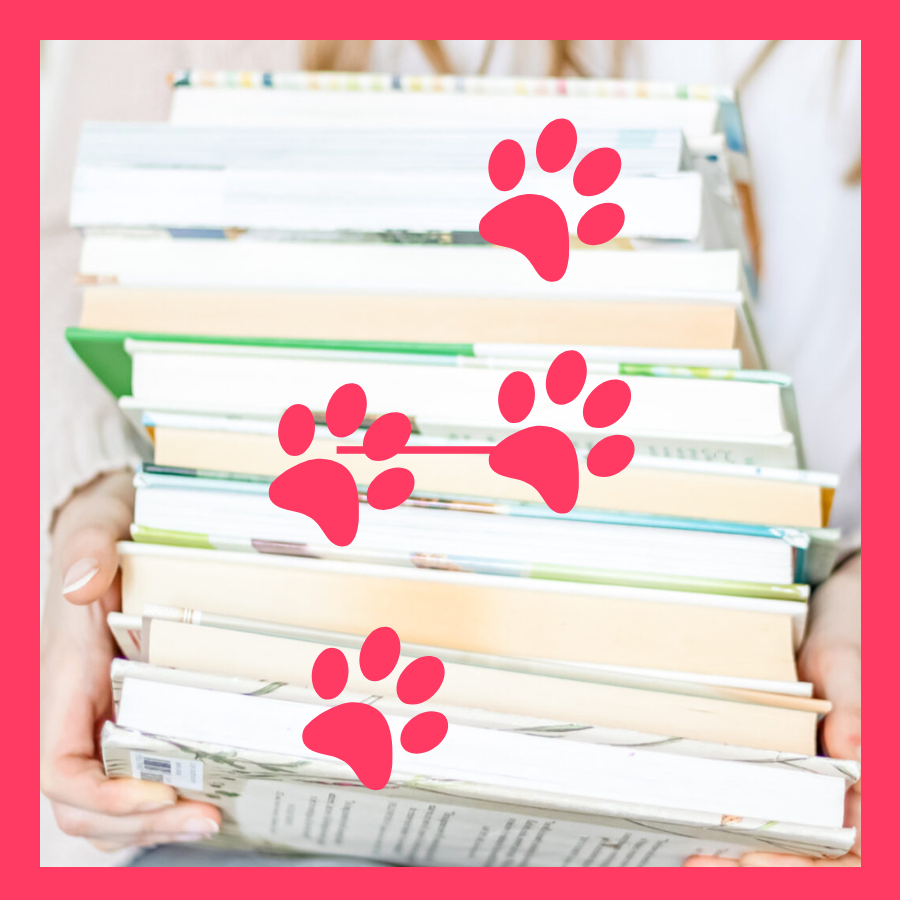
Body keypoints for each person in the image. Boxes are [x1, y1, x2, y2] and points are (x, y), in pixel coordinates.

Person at [40, 40, 860, 866]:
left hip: (762, 662)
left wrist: (865, 589)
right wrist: (93, 503)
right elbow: (78, 241)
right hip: (284, 755)